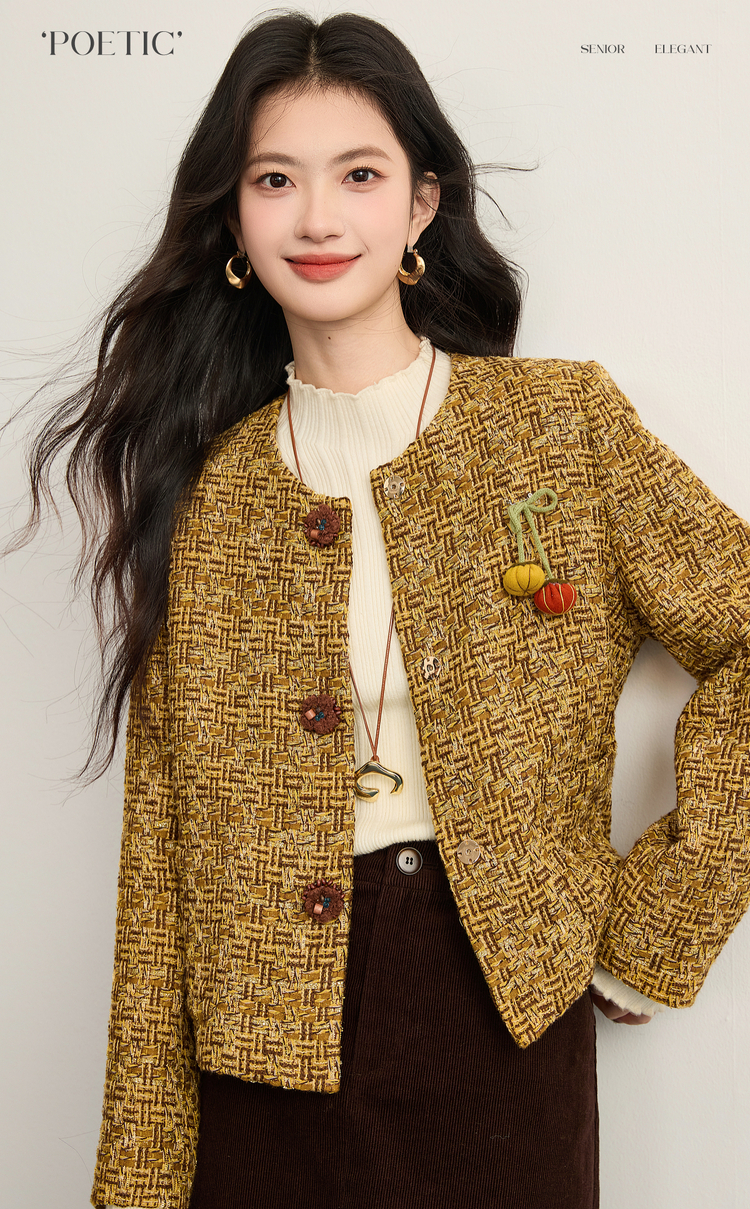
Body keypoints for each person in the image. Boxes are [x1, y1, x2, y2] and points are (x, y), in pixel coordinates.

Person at [22, 11, 750, 1209]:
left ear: (422, 205)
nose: (317, 218)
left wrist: (662, 923)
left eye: (358, 175)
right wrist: (137, 1182)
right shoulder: (206, 496)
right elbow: (160, 862)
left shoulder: (559, 428)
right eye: (275, 180)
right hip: (257, 1057)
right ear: (233, 223)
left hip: (499, 1026)